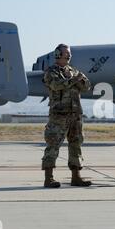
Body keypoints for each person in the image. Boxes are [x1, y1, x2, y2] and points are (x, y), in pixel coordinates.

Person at [41, 44, 92, 188]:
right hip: (59, 115)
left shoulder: (73, 71)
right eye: (66, 54)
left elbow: (87, 86)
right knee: (53, 144)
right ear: (58, 54)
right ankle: (48, 178)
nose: (69, 56)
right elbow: (56, 85)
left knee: (76, 145)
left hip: (75, 115)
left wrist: (80, 80)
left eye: (69, 54)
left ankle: (76, 177)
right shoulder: (51, 72)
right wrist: (74, 80)